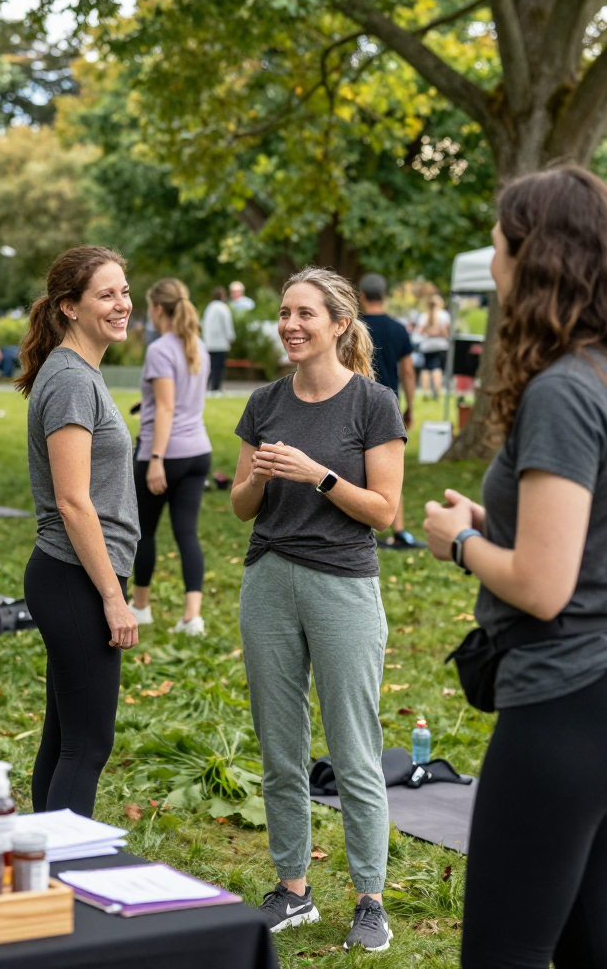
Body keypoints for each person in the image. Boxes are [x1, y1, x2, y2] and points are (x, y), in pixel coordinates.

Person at [422, 166, 607, 969]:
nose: (494, 263)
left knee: (502, 954)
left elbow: (543, 585)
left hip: (566, 706)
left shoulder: (565, 391)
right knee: (593, 948)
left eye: (501, 245)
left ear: (535, 258)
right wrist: (497, 521)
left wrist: (459, 542)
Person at [230, 266, 406, 951]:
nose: (290, 325)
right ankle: (293, 888)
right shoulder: (266, 402)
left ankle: (369, 897)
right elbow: (242, 505)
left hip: (342, 583)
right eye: (283, 313)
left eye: (305, 313)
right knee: (280, 746)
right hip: (269, 578)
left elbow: (386, 513)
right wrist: (259, 479)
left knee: (355, 749)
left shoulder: (372, 404)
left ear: (339, 323)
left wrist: (320, 475)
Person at [16, 245, 140, 817]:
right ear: (69, 306)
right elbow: (73, 500)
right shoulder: (69, 379)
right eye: (106, 294)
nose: (122, 304)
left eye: (124, 291)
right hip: (75, 577)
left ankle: (45, 875)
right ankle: (65, 883)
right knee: (87, 745)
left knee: (66, 739)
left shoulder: (78, 372)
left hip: (76, 575)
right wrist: (114, 598)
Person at [129, 278, 212, 636]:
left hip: (164, 454)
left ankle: (142, 606)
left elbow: (166, 407)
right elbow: (181, 401)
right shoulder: (199, 346)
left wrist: (157, 459)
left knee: (143, 533)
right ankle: (192, 617)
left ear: (157, 309)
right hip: (198, 452)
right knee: (187, 534)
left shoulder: (160, 349)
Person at [358, 273, 423, 550]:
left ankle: (360, 528)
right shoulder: (398, 329)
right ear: (384, 296)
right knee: (390, 470)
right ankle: (399, 530)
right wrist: (409, 406)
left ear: (361, 296)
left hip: (357, 402)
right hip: (389, 405)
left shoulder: (354, 327)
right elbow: (408, 370)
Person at [202, 286, 235, 396]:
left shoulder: (209, 308)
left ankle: (209, 388)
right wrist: (231, 337)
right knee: (219, 367)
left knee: (210, 367)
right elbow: (227, 325)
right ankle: (216, 388)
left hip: (209, 343)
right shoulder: (223, 308)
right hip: (221, 344)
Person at [417, 293, 450, 398]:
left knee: (426, 368)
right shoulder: (443, 315)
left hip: (427, 345)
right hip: (440, 344)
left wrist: (428, 333)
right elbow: (445, 332)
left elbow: (420, 330)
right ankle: (437, 390)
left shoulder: (424, 316)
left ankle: (425, 391)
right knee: (437, 368)